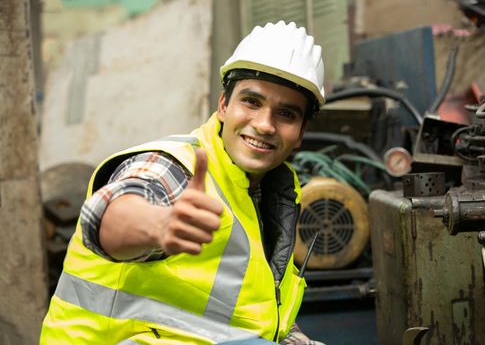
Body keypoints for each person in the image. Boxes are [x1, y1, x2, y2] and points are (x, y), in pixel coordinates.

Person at [41, 20, 325, 344]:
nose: (264, 125)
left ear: (301, 132)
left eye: (286, 114)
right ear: (223, 105)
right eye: (251, 102)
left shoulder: (275, 193)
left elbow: (255, 319)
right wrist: (160, 225)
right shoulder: (176, 167)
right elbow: (111, 215)